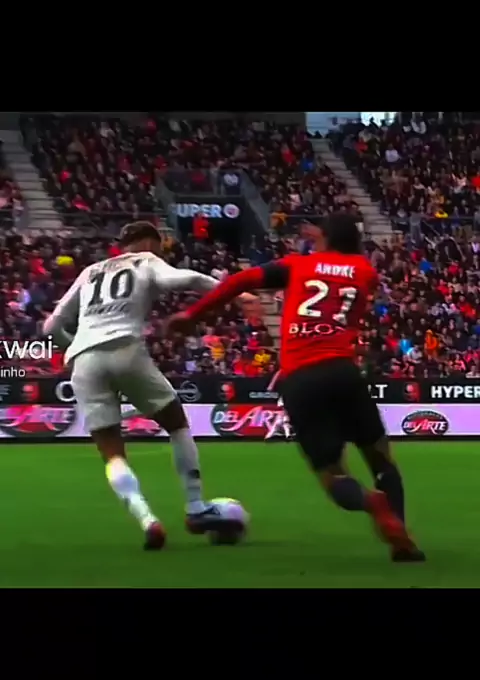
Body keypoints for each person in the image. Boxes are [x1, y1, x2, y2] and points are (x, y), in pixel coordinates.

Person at [168, 214, 425, 562]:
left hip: (301, 378)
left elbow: (241, 280)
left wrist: (193, 314)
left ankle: (371, 502)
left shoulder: (298, 265)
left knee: (333, 475)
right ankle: (401, 537)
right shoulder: (366, 271)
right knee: (381, 459)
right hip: (343, 371)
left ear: (326, 238)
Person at [42, 220, 257, 550]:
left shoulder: (90, 272)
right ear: (149, 243)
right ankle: (195, 507)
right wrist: (235, 293)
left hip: (84, 361)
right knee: (176, 423)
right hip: (125, 348)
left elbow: (51, 326)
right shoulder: (146, 260)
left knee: (111, 451)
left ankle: (147, 520)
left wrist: (74, 348)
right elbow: (188, 279)